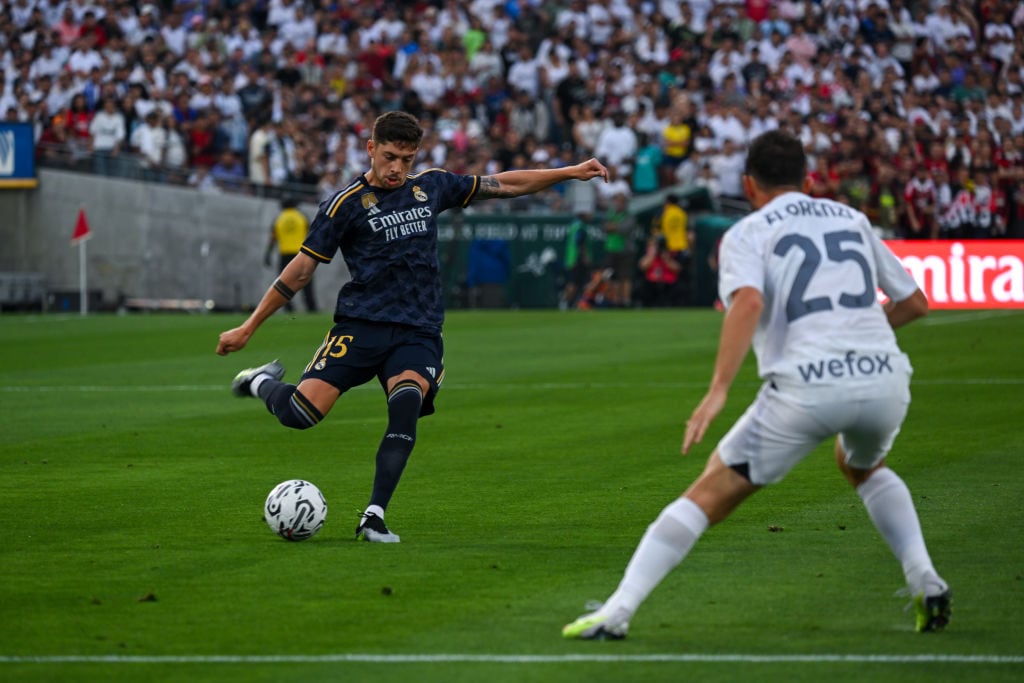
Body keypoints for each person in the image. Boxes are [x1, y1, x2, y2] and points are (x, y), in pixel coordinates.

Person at [563, 130, 951, 640]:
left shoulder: (747, 232)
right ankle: (925, 578)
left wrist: (719, 389)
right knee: (862, 465)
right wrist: (860, 335)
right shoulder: (853, 219)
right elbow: (916, 303)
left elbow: (747, 303)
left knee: (707, 493)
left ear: (748, 185)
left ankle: (617, 610)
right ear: (808, 180)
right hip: (885, 378)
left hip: (807, 387)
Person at [217, 111, 608, 543]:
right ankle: (258, 382)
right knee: (300, 415)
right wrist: (249, 327)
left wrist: (570, 172)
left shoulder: (431, 186)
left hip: (417, 331)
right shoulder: (344, 204)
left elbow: (506, 184)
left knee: (405, 404)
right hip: (361, 325)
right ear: (370, 148)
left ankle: (374, 516)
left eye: (406, 158)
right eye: (389, 157)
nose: (396, 168)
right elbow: (301, 271)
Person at [265, 196, 317, 313]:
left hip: (285, 254)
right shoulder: (301, 217)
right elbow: (311, 234)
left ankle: (289, 308)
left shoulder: (279, 218)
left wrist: (267, 255)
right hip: (301, 254)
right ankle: (311, 307)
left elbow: (273, 238)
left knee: (284, 284)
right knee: (307, 282)